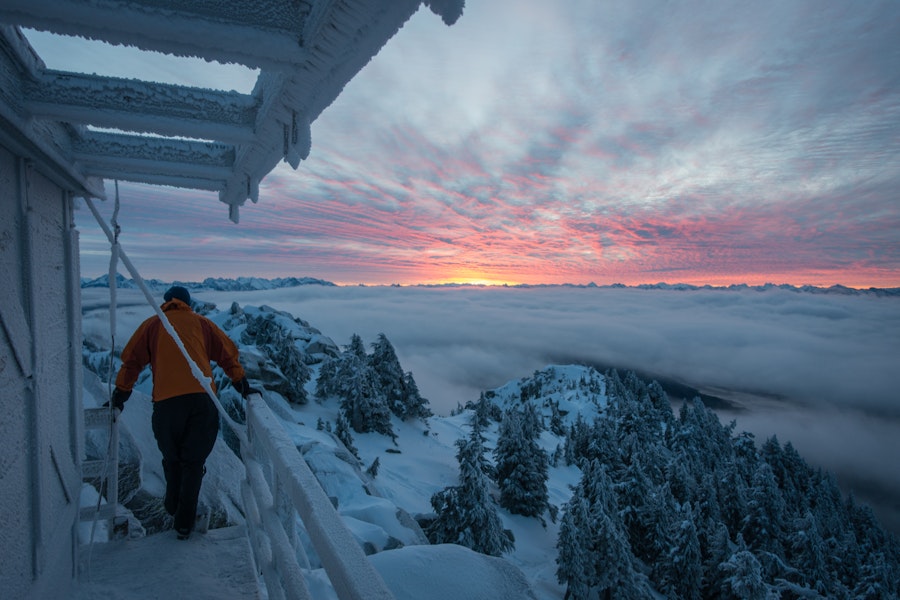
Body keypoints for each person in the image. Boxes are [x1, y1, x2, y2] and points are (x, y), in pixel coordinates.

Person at [109, 285, 257, 539]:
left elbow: (131, 361)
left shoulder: (153, 325)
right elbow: (228, 354)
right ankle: (183, 522)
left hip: (166, 406)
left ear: (166, 303)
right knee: (194, 462)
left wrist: (120, 396)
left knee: (173, 458)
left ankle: (173, 504)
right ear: (188, 303)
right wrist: (242, 385)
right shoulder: (201, 323)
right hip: (202, 401)